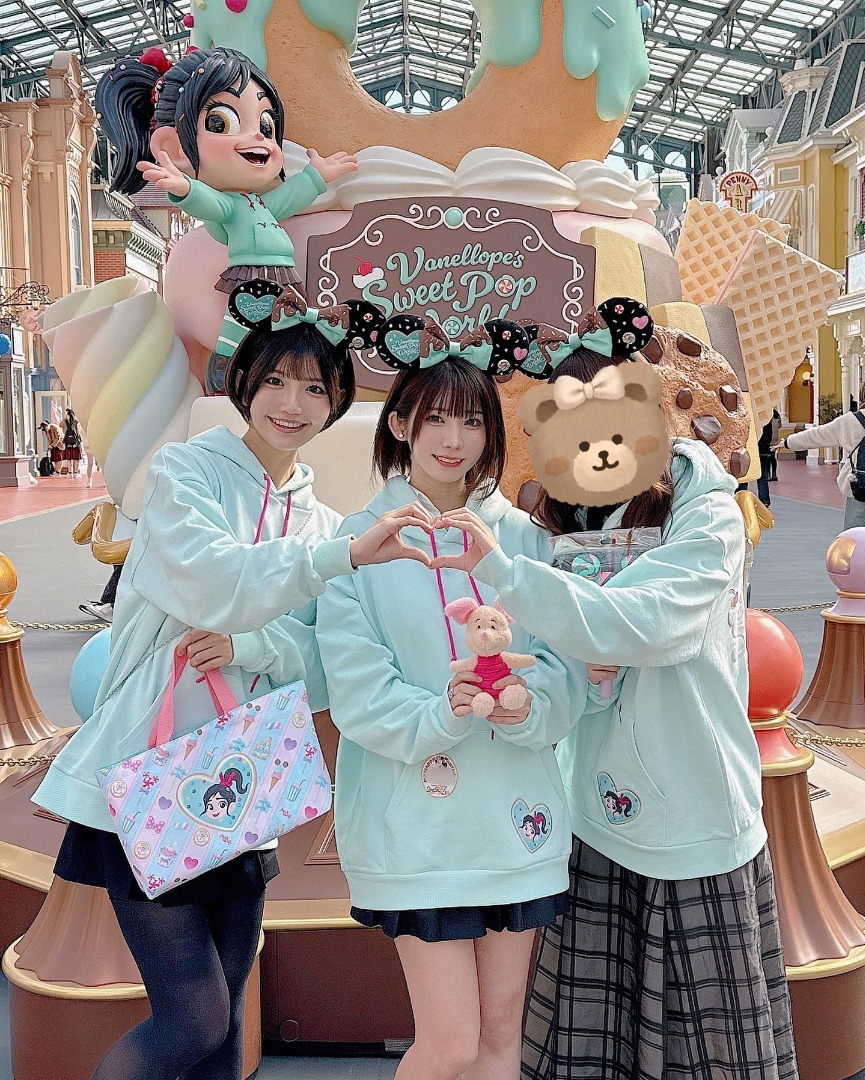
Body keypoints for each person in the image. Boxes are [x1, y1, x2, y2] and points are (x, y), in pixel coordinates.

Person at [33, 318, 422, 1080]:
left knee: (227, 1019)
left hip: (243, 783)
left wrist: (253, 648)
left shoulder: (317, 519)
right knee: (193, 1017)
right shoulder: (185, 474)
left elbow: (324, 661)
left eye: (314, 388)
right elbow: (212, 581)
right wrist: (336, 558)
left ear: (337, 401)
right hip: (152, 770)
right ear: (243, 384)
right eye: (274, 380)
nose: (291, 403)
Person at [431, 344, 798, 1080]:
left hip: (694, 816)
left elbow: (651, 623)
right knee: (590, 1054)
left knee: (708, 1057)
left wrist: (513, 577)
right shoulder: (554, 518)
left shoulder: (707, 512)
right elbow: (554, 654)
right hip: (593, 817)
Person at [316, 337, 590, 1080]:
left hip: (517, 817)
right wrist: (447, 711)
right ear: (399, 423)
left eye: (472, 421)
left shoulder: (525, 539)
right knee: (451, 1044)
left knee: (500, 1038)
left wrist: (525, 708)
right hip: (414, 820)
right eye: (435, 418)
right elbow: (356, 687)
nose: (453, 439)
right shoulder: (357, 542)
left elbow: (563, 664)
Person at [95, 45, 357, 394]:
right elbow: (211, 204)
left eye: (266, 124)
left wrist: (315, 176)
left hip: (283, 274)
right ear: (174, 147)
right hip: (251, 272)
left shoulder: (258, 203)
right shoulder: (231, 206)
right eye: (222, 122)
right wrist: (185, 188)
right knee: (243, 319)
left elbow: (286, 199)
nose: (259, 136)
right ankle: (227, 363)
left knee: (284, 326)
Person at [773, 392, 865, 530]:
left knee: (854, 537)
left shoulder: (851, 421)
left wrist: (788, 442)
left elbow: (817, 435)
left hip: (860, 487)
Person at [60, 407, 83, 477]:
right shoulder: (76, 422)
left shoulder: (64, 422)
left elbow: (61, 426)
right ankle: (75, 473)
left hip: (68, 442)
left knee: (69, 459)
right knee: (76, 458)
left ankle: (70, 473)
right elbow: (78, 432)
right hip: (76, 442)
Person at [757, 415, 773, 507]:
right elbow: (769, 434)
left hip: (751, 450)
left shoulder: (748, 415)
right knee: (762, 477)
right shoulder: (766, 417)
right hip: (764, 450)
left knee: (744, 477)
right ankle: (765, 501)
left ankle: (741, 499)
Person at [769, 407, 781, 481]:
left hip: (768, 439)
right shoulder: (777, 415)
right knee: (773, 458)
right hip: (775, 439)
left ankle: (768, 474)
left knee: (767, 458)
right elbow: (780, 426)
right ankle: (774, 474)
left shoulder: (767, 415)